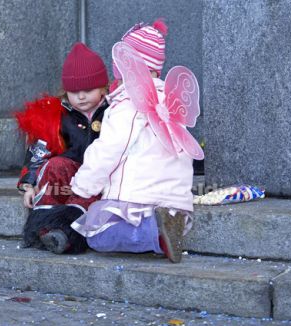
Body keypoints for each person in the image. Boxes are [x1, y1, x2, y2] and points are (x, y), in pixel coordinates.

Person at [70, 19, 204, 263]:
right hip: (176, 201)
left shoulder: (128, 103)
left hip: (139, 200)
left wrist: (82, 185)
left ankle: (155, 234)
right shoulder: (171, 103)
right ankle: (166, 227)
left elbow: (109, 149)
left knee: (97, 235)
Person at [15, 42, 110, 254]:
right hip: (68, 175)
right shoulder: (60, 114)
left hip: (99, 175)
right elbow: (40, 149)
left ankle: (68, 235)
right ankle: (44, 227)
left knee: (87, 193)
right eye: (75, 92)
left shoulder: (114, 110)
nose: (81, 97)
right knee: (55, 165)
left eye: (88, 90)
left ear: (103, 87)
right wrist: (30, 184)